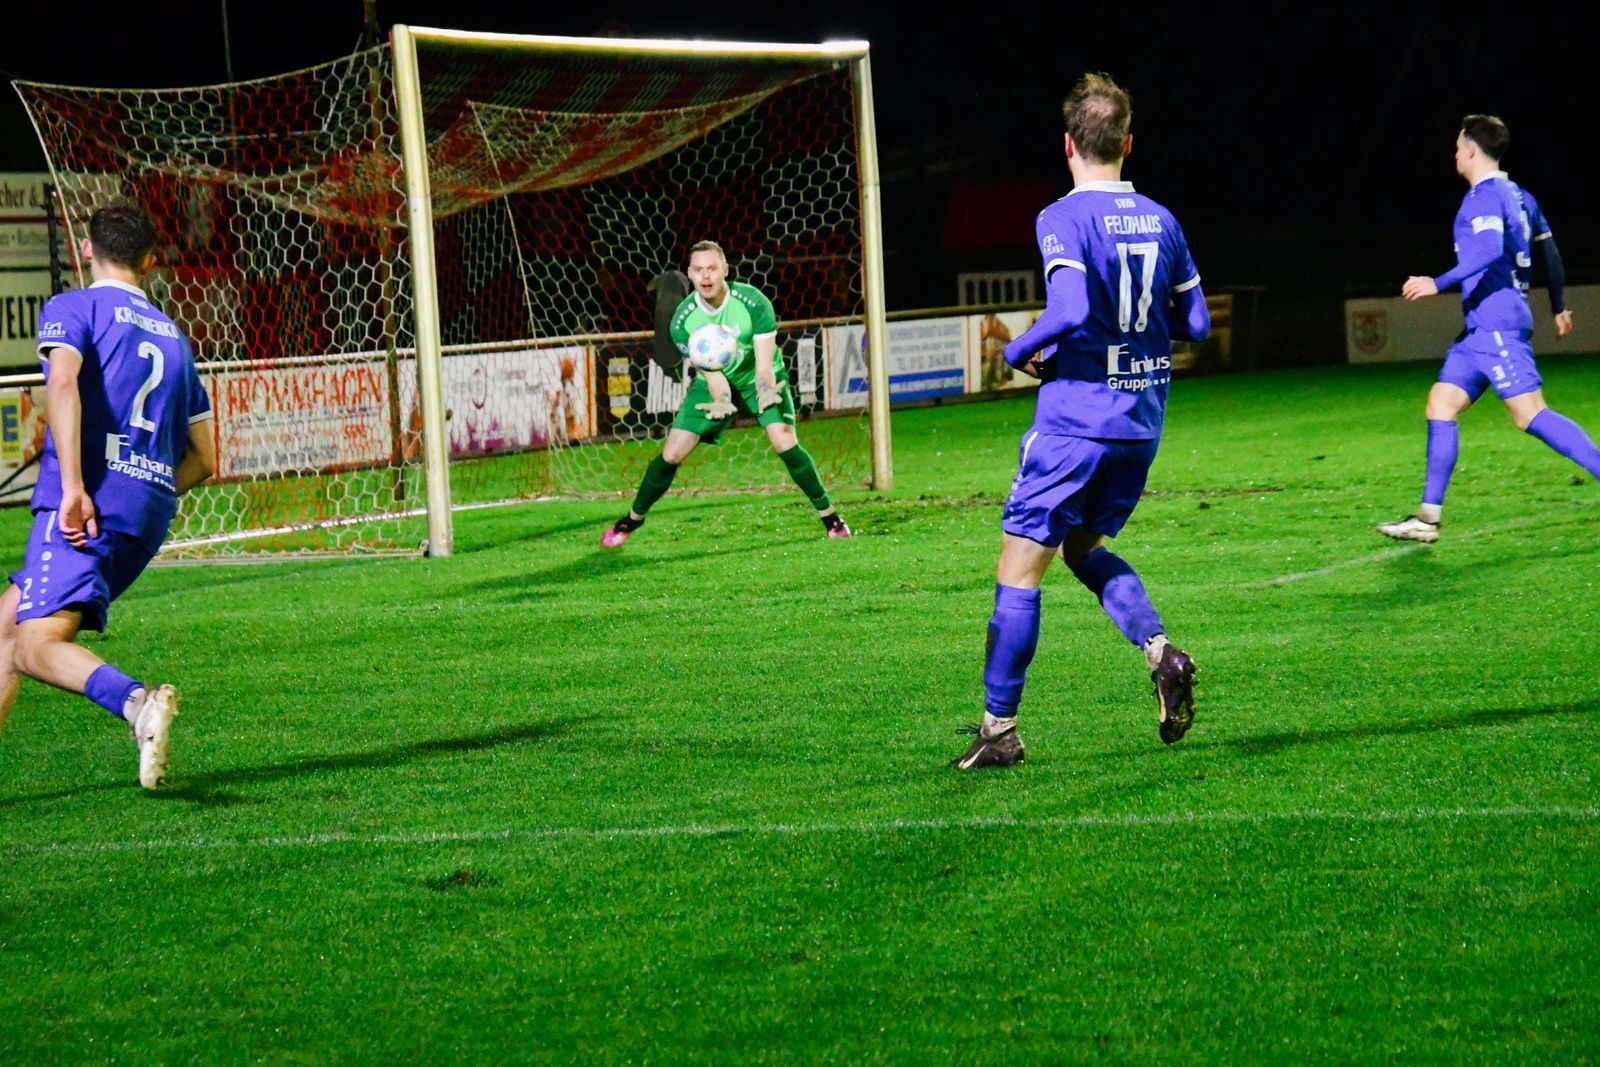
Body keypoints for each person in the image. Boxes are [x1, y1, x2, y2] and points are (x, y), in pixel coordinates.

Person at [951, 73, 1210, 770]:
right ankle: (1162, 653)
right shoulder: (1163, 219)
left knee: (1019, 570)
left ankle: (1000, 730)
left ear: (1068, 144)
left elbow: (1068, 310)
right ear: (1128, 143)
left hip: (1074, 423)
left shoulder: (1060, 218)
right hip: (1140, 422)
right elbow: (1197, 323)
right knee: (1082, 547)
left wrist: (1015, 351)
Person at [0, 200, 216, 789]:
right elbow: (205, 458)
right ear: (149, 261)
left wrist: (74, 487)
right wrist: (144, 486)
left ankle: (136, 702)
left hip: (85, 504)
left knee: (33, 645)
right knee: (5, 626)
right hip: (146, 511)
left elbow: (62, 381)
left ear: (87, 249)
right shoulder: (175, 339)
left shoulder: (73, 307)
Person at [1378, 114, 1588, 543]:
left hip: (1495, 324)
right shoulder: (1521, 196)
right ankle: (1427, 518)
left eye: (1458, 146)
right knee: (1441, 405)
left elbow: (1490, 249)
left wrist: (1436, 282)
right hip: (1478, 330)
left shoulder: (1483, 197)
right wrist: (1558, 306)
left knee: (1530, 415)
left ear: (1472, 149)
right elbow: (1551, 254)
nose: (1455, 153)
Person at [601, 240, 850, 546]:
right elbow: (712, 374)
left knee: (783, 440)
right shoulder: (682, 322)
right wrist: (721, 399)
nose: (705, 276)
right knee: (673, 452)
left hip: (759, 378)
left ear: (725, 271)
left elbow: (763, 366)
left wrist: (764, 390)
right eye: (698, 269)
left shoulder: (753, 303)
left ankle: (830, 518)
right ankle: (632, 519)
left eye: (712, 268)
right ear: (689, 273)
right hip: (714, 383)